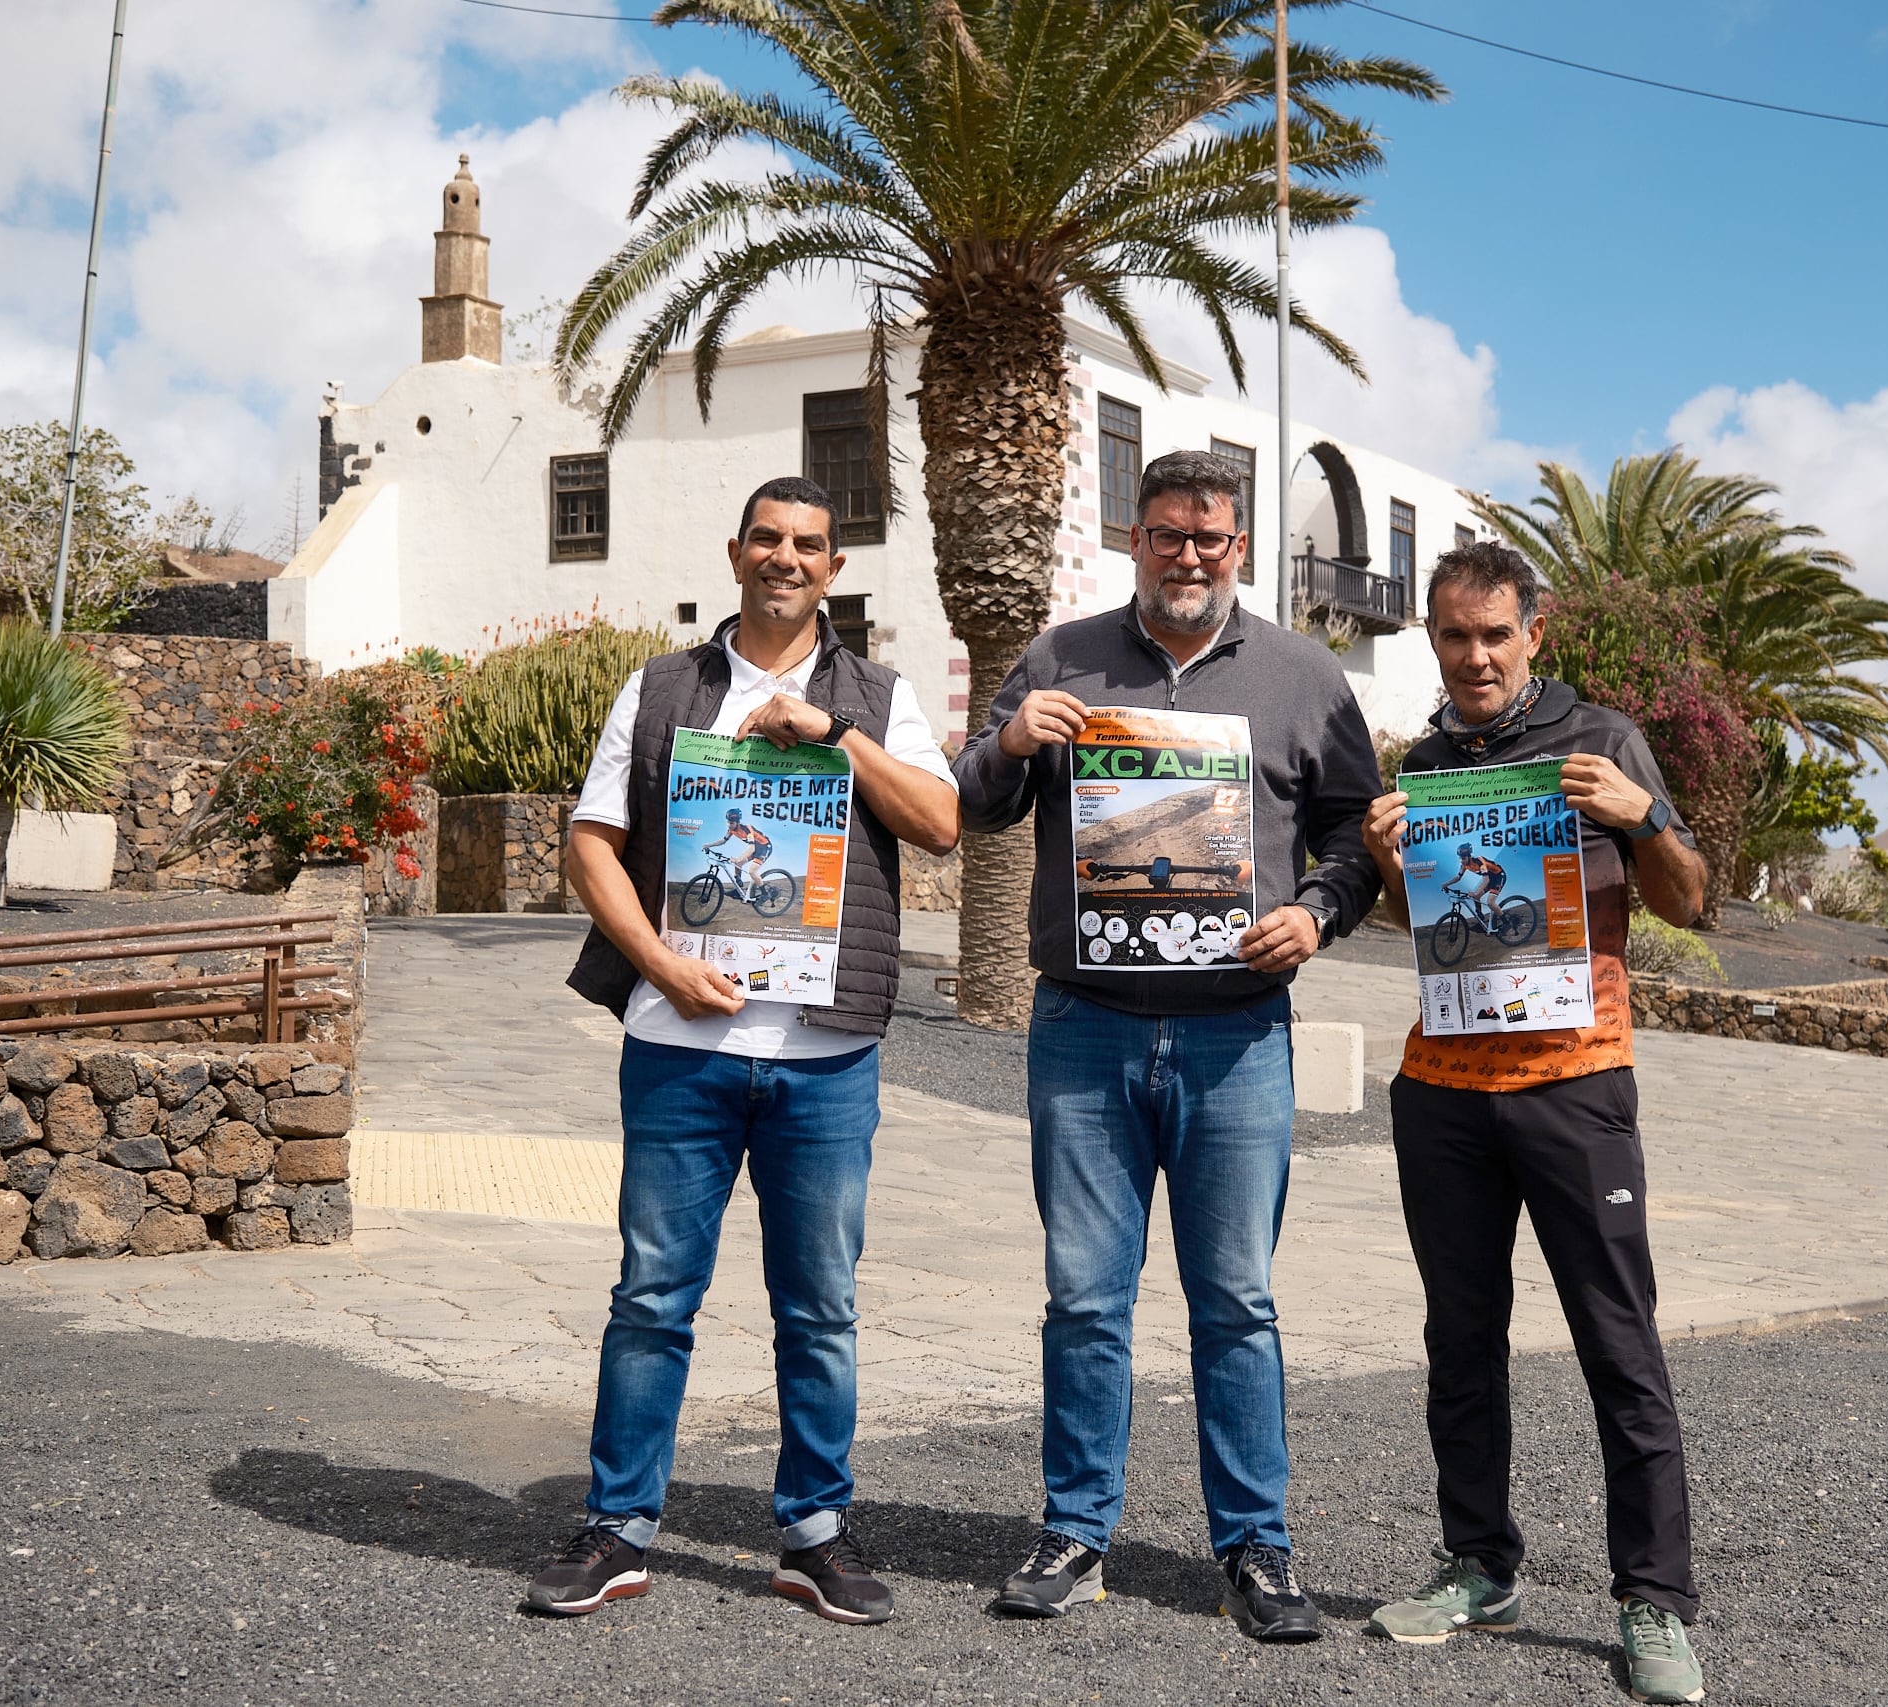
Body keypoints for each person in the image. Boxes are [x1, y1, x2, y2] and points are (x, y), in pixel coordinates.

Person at [953, 448, 1382, 1643]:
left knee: (1235, 1302)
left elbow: (1355, 831)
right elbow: (972, 808)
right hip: (1082, 1033)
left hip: (1237, 1038)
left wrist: (1321, 913)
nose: (1188, 556)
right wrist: (1010, 744)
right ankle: (1074, 1530)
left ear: (1239, 547)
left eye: (1211, 538)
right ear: (1128, 537)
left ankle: (1257, 1547)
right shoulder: (1058, 658)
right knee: (1084, 1299)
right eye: (1166, 535)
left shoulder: (1305, 677)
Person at [522, 476, 961, 1626]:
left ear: (835, 564)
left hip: (826, 1054)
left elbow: (939, 821)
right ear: (735, 552)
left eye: (809, 544)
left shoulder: (879, 693)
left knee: (818, 1304)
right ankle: (620, 1524)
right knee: (653, 1293)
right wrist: (663, 968)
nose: (787, 559)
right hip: (680, 1045)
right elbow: (591, 843)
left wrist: (835, 736)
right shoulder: (664, 687)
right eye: (767, 539)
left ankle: (812, 1531)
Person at [1357, 539, 1711, 1702]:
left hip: (1575, 1084)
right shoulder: (1428, 758)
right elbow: (1419, 920)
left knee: (1619, 1345)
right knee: (1460, 1343)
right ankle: (1478, 1566)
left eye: (1493, 635)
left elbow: (1688, 899)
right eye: (1453, 636)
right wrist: (1388, 863)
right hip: (1445, 1095)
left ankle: (1653, 1602)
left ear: (1534, 633)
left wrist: (1644, 811)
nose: (1474, 657)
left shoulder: (1601, 740)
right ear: (1432, 638)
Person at [706, 806, 774, 890]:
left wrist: (739, 859)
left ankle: (764, 894)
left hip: (764, 847)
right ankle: (738, 889)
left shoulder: (747, 829)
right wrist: (708, 845)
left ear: (737, 822)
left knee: (752, 871)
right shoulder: (731, 830)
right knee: (738, 865)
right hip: (756, 848)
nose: (729, 825)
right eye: (727, 822)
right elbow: (723, 840)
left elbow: (751, 849)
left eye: (731, 823)